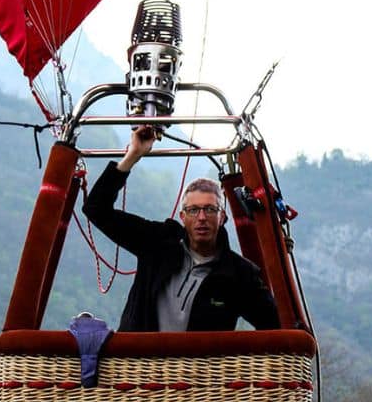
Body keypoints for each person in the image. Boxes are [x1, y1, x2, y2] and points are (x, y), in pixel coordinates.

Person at [82, 125, 279, 332]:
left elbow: (277, 328)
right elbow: (96, 209)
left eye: (210, 209)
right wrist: (133, 155)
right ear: (182, 217)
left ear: (223, 217)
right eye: (193, 210)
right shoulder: (157, 242)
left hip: (196, 365)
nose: (201, 218)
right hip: (138, 363)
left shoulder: (239, 274)